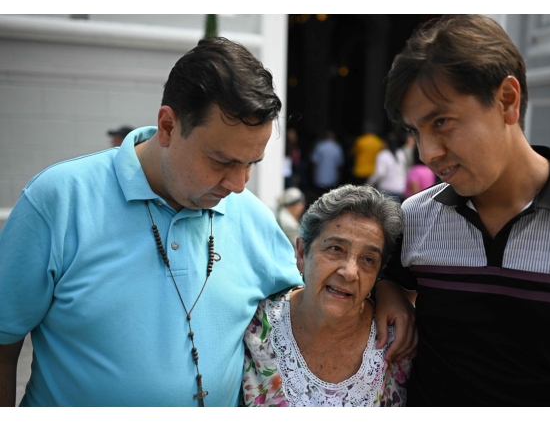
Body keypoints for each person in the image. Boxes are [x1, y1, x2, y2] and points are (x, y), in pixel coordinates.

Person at [0, 37, 415, 407]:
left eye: (251, 163)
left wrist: (390, 289)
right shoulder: (58, 200)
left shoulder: (251, 217)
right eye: (222, 161)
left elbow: (321, 288)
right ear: (167, 126)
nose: (238, 184)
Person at [381, 14, 550, 406]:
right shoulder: (416, 216)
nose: (427, 153)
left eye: (442, 121)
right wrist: (389, 293)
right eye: (415, 131)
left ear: (507, 100)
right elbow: (385, 276)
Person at [243, 185, 412, 406]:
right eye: (335, 249)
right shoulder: (254, 324)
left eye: (368, 259)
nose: (350, 272)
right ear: (303, 253)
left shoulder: (400, 341)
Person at [367, 132, 407, 202]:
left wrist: (369, 183)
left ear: (386, 143)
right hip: (400, 188)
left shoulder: (383, 155)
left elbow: (380, 173)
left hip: (387, 189)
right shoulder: (401, 153)